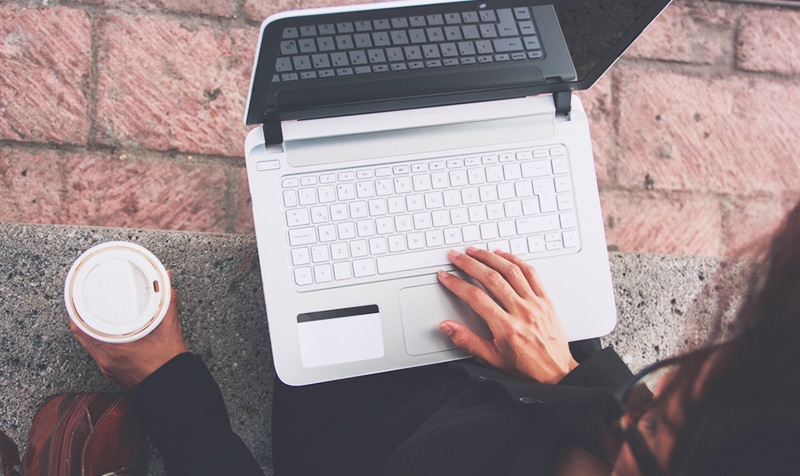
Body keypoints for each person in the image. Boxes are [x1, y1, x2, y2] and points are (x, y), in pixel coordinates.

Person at [72, 200, 800, 475]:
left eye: (657, 421)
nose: (647, 393)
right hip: (446, 390)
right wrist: (567, 380)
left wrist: (168, 382)